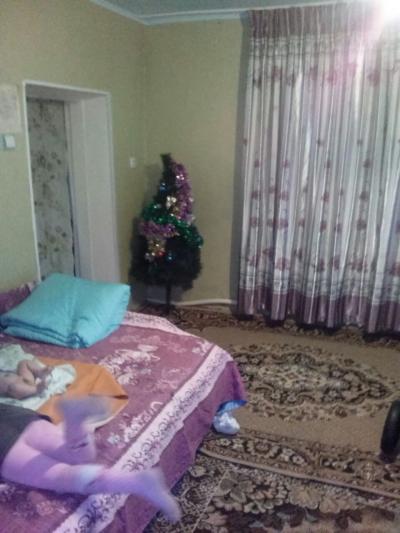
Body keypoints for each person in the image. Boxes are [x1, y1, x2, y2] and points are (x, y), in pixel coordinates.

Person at [0, 396, 181, 523]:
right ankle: (75, 422)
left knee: (59, 475)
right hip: (12, 414)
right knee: (73, 453)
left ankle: (135, 482)